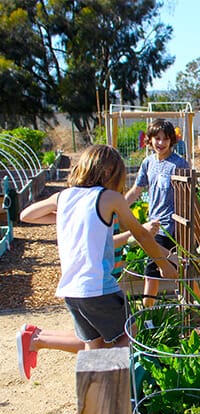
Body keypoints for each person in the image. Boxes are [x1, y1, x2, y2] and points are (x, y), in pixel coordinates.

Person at [17, 145, 177, 380]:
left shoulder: (64, 196)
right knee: (129, 333)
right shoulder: (109, 197)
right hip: (98, 288)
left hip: (72, 291)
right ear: (109, 171)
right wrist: (164, 265)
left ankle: (94, 404)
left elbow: (26, 215)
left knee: (96, 347)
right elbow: (141, 234)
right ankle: (115, 396)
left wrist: (68, 215)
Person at [125, 119, 190, 306]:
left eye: (165, 139)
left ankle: (199, 310)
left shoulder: (179, 164)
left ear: (171, 141)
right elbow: (136, 191)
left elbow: (189, 198)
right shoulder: (148, 163)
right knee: (152, 274)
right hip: (154, 228)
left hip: (174, 227)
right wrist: (118, 209)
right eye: (157, 138)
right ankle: (148, 316)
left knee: (179, 273)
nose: (161, 143)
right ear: (150, 140)